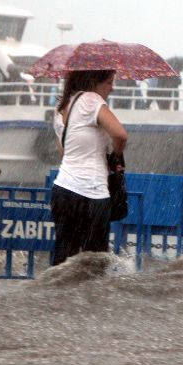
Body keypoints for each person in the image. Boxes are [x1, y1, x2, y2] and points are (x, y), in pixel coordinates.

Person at [51, 70, 128, 265]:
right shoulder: (91, 99)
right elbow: (120, 135)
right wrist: (116, 154)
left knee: (64, 260)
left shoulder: (63, 107)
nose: (113, 87)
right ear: (94, 81)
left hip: (63, 191)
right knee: (94, 264)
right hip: (91, 194)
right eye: (109, 82)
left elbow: (64, 152)